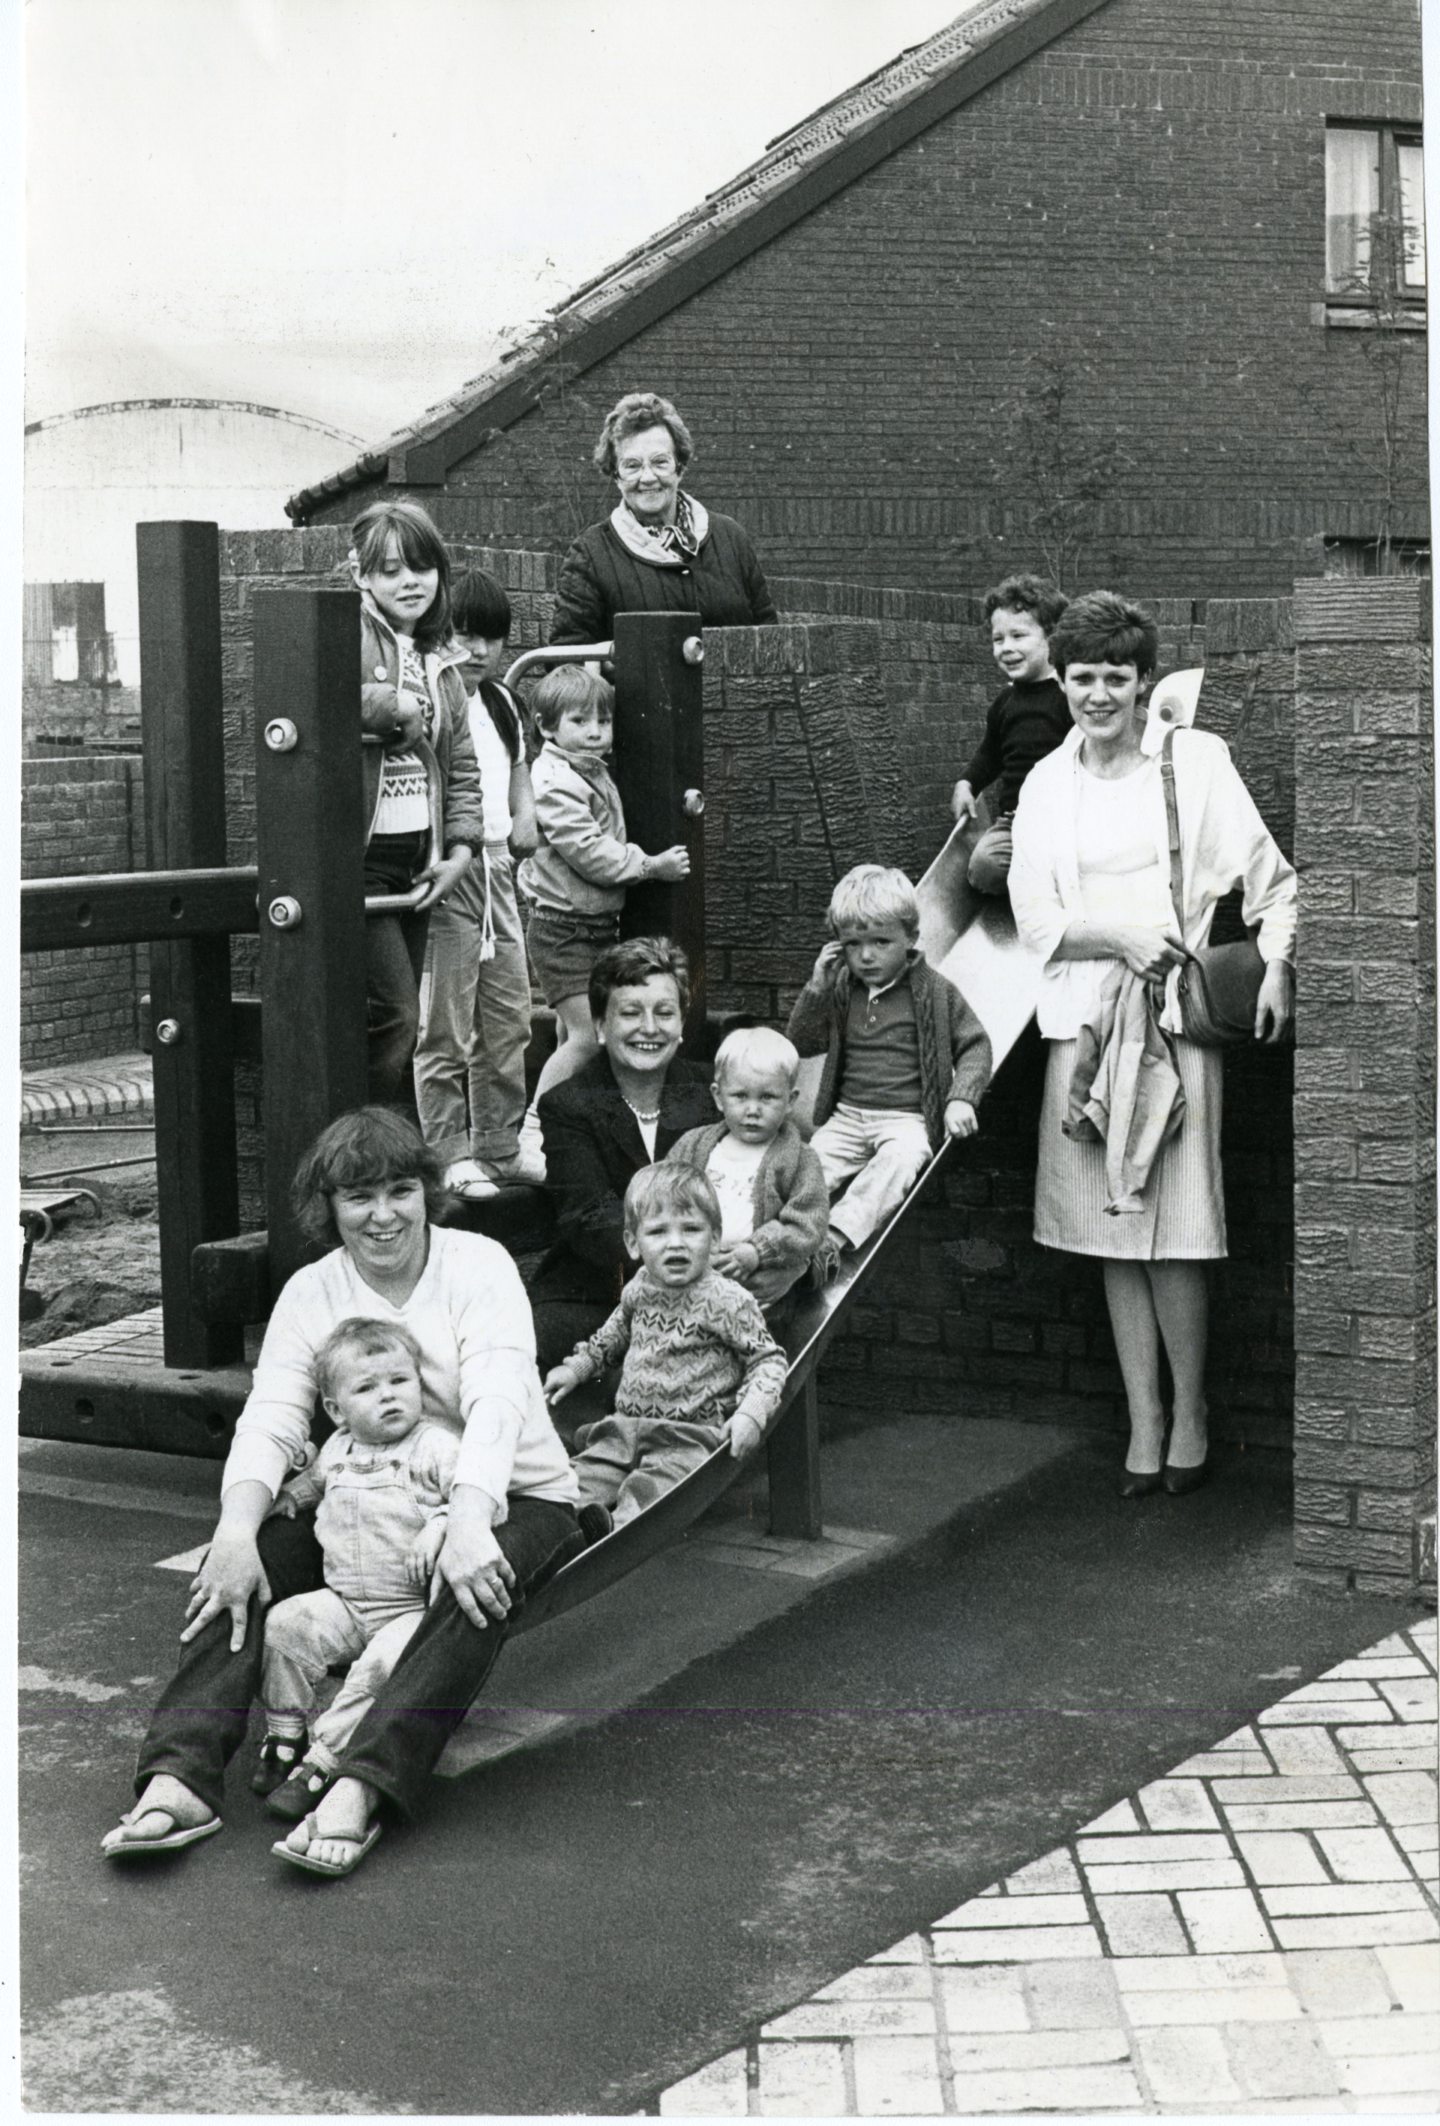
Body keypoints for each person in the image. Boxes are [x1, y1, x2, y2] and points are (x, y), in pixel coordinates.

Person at [100, 1107, 581, 1881]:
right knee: (242, 1566)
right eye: (359, 1198)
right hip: (365, 1494)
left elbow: (499, 1397)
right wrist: (231, 1532)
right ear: (329, 1208)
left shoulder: (479, 1265)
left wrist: (467, 1517)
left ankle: (362, 1784)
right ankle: (180, 1777)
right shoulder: (310, 1292)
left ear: (428, 1192)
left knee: (473, 1585)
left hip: (514, 1496)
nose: (383, 1215)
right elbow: (274, 1417)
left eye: (400, 1191)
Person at [1008, 590, 1296, 1498]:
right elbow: (1036, 918)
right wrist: (1121, 940)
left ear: (1143, 684)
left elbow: (1274, 883)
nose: (1098, 695)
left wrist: (1279, 968)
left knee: (1175, 1233)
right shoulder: (1048, 781)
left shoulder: (1195, 762)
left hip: (1173, 1027)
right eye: (1083, 677)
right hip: (1085, 1032)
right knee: (1109, 1231)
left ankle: (1194, 1414)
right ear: (1061, 678)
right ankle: (1143, 1418)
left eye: (1116, 679)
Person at [253, 1319, 457, 1824]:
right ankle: (285, 1732)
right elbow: (314, 1484)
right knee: (285, 1625)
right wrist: (286, 1499)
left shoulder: (436, 1446)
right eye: (367, 1388)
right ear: (335, 1409)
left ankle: (323, 1762)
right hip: (345, 1602)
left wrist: (442, 1526)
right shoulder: (339, 1449)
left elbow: (478, 1501)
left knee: (379, 1669)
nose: (388, 1397)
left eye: (400, 1381)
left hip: (409, 1610)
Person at [544, 1165, 788, 1531]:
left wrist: (751, 1413)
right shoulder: (639, 1288)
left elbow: (768, 1361)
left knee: (653, 1489)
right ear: (632, 1242)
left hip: (685, 1438)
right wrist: (577, 1368)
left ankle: (614, 1529)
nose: (676, 1243)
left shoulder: (727, 1299)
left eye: (691, 1229)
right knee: (582, 1476)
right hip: (623, 1429)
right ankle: (570, 1520)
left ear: (716, 1237)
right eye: (658, 1232)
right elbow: (610, 1338)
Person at [787, 864, 993, 1284]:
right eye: (853, 944)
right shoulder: (844, 988)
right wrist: (817, 988)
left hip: (904, 1120)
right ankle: (784, 1243)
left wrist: (961, 1097)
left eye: (881, 942)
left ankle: (831, 1239)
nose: (866, 956)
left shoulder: (935, 991)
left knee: (901, 1162)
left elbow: (975, 1044)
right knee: (807, 1167)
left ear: (911, 938)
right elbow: (802, 1043)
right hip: (846, 1118)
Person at [528, 935, 717, 1376]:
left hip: (705, 1286)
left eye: (664, 1013)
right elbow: (591, 1217)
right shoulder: (568, 1105)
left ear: (681, 1023)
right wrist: (678, 1255)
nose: (649, 1028)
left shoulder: (712, 1097)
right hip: (595, 1291)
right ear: (599, 1026)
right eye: (630, 1012)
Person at [352, 499, 485, 1108]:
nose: (410, 582)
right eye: (391, 570)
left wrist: (460, 850)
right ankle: (366, 1149)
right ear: (362, 577)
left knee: (404, 1021)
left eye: (422, 567)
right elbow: (323, 694)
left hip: (419, 861)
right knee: (397, 1015)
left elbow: (461, 769)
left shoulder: (441, 663)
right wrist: (392, 705)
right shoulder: (348, 632)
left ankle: (392, 1157)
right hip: (365, 857)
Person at [414, 566, 541, 1196]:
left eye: (491, 638)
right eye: (464, 635)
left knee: (510, 1014)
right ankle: (447, 1151)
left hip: (499, 871)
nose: (479, 651)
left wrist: (525, 819)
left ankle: (499, 1142)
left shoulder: (503, 702)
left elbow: (521, 779)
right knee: (446, 1023)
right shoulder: (433, 696)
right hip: (453, 875)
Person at [519, 664, 690, 1107]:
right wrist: (652, 865)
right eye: (580, 721)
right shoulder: (555, 781)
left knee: (570, 1031)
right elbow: (591, 853)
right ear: (546, 726)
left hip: (589, 924)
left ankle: (566, 1121)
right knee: (587, 1037)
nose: (596, 732)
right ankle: (536, 1130)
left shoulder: (587, 769)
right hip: (563, 929)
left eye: (604, 721)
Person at [548, 391, 778, 645]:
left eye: (660, 462)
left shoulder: (732, 539)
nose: (647, 477)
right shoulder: (589, 555)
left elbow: (769, 638)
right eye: (632, 466)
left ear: (680, 467)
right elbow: (566, 660)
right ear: (615, 476)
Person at [665, 1025, 830, 1313]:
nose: (752, 1109)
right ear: (718, 1096)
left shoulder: (800, 1159)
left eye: (767, 1097)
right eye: (740, 1096)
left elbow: (807, 1222)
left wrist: (758, 1250)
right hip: (691, 1278)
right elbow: (660, 1197)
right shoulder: (692, 1147)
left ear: (790, 1100)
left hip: (757, 1289)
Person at [951, 574, 1072, 895]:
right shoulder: (1005, 702)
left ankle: (1055, 889)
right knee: (983, 870)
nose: (1007, 648)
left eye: (1018, 636)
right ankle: (1041, 889)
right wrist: (967, 783)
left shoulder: (1069, 696)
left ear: (1052, 638)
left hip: (1068, 820)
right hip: (1016, 823)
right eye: (998, 639)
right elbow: (990, 754)